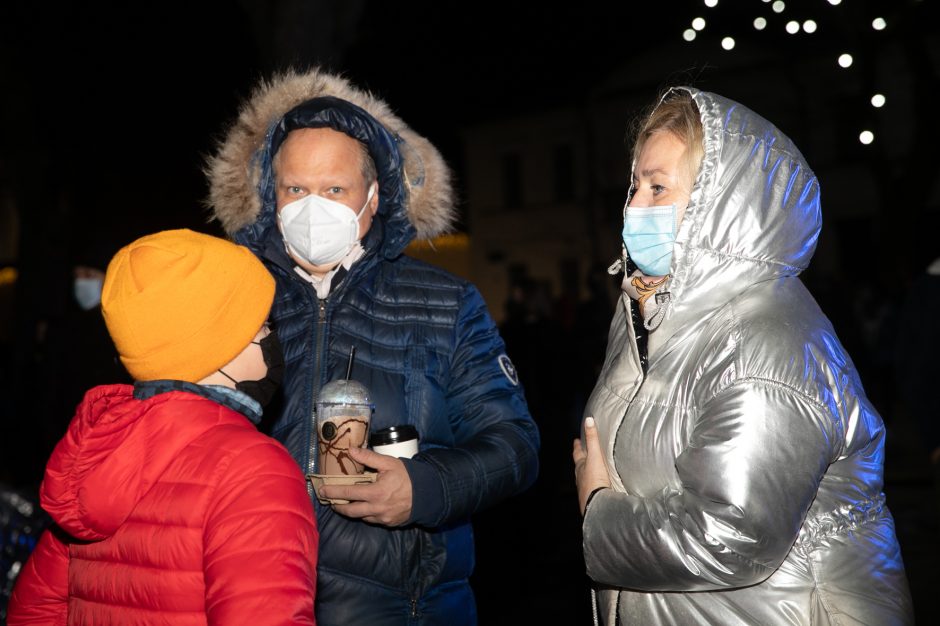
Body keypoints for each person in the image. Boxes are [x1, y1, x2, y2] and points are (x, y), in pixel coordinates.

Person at [205, 68, 540, 625]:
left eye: (334, 189)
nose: (313, 209)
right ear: (271, 194)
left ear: (374, 196)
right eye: (296, 189)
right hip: (251, 599)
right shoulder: (238, 300)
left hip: (404, 610)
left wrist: (426, 487)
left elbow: (515, 445)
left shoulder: (445, 303)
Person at [572, 87, 914, 624]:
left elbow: (730, 536)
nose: (634, 205)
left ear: (724, 205)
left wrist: (598, 514)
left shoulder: (767, 340)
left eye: (659, 187)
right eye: (635, 184)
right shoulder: (649, 311)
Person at [7, 229, 319, 625]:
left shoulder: (98, 454)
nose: (272, 338)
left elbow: (33, 610)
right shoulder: (254, 469)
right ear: (217, 345)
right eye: (261, 326)